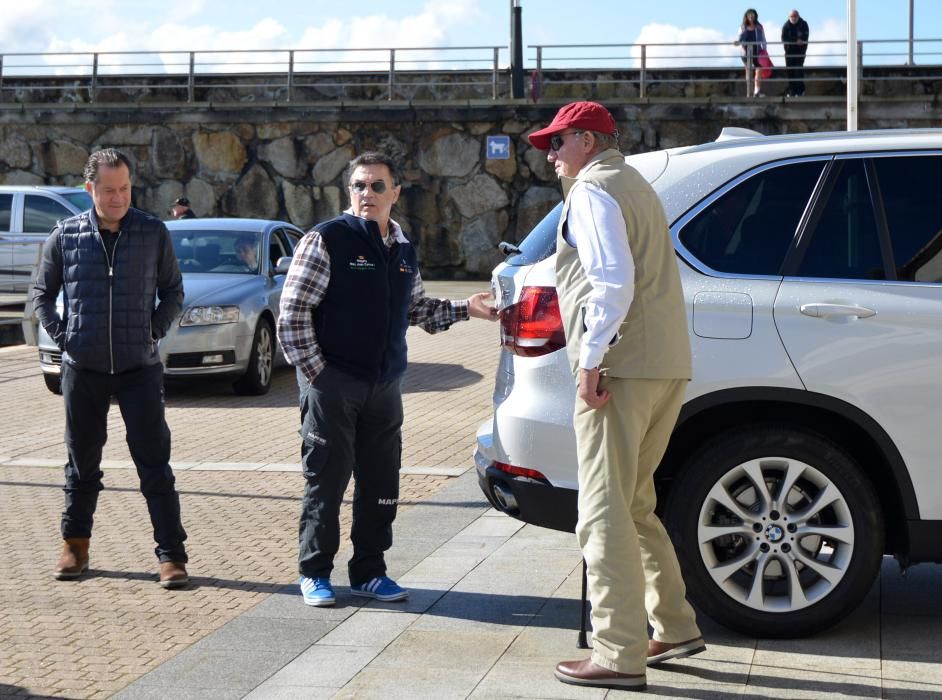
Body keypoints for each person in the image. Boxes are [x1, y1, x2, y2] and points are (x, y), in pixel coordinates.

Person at [526, 102, 704, 691]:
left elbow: (611, 280)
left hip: (620, 371)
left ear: (586, 140)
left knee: (602, 510)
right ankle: (674, 624)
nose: (550, 155)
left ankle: (617, 652)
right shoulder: (635, 184)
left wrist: (592, 359)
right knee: (634, 503)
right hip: (665, 364)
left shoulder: (591, 191)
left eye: (556, 142)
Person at [277, 151, 498, 608]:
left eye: (378, 186)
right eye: (359, 185)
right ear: (349, 192)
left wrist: (468, 309)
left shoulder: (402, 249)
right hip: (333, 386)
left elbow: (416, 309)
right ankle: (315, 572)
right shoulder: (326, 240)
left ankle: (369, 573)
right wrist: (320, 377)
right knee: (326, 480)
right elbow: (292, 316)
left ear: (395, 193)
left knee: (381, 484)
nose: (367, 194)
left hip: (385, 388)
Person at [32, 148, 190, 589]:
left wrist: (151, 332)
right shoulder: (65, 236)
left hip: (140, 366)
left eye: (124, 188)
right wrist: (67, 339)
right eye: (108, 190)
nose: (118, 197)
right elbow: (41, 296)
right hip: (84, 369)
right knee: (81, 464)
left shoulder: (153, 232)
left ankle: (172, 555)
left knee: (154, 464)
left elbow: (173, 291)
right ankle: (75, 545)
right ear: (90, 189)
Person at [734, 8, 768, 97]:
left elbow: (763, 39)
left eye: (753, 15)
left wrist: (764, 50)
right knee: (748, 70)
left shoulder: (759, 27)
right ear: (746, 16)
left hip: (757, 51)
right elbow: (739, 39)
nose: (751, 17)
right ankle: (749, 91)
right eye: (749, 15)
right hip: (745, 52)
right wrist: (737, 42)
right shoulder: (742, 27)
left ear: (755, 16)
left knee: (759, 69)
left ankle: (757, 90)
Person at [782, 9, 810, 97]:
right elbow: (783, 38)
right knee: (790, 72)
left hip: (800, 52)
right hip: (789, 52)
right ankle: (792, 92)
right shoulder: (786, 25)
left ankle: (800, 91)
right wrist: (795, 40)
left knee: (798, 71)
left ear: (798, 16)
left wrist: (801, 41)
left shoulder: (803, 24)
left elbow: (806, 36)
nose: (793, 18)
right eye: (791, 16)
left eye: (795, 16)